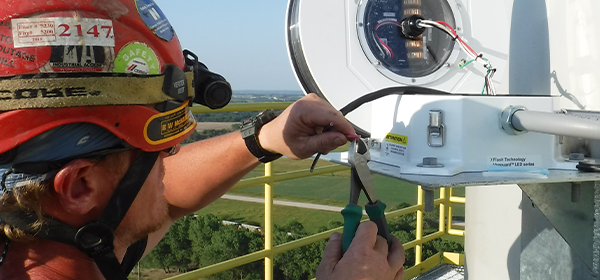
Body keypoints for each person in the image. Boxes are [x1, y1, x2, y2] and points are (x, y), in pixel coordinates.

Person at [0, 0, 405, 279]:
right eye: (158, 153)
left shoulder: (50, 247)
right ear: (79, 185)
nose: (171, 160)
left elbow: (166, 196)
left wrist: (264, 138)